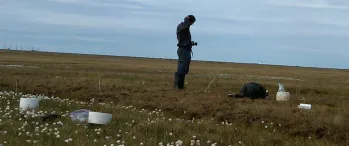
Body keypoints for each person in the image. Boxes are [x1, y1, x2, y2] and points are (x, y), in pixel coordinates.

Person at [174, 15, 197, 90]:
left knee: (184, 68)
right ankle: (178, 86)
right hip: (183, 49)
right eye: (192, 22)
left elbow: (184, 39)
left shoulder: (183, 26)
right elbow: (185, 29)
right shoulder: (183, 26)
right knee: (182, 68)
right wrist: (187, 19)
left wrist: (191, 43)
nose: (192, 24)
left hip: (185, 49)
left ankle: (180, 86)